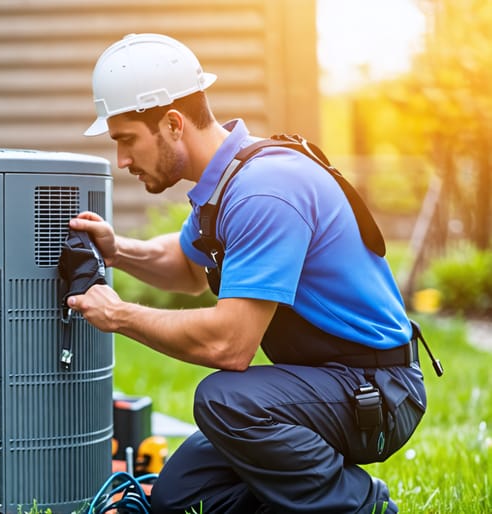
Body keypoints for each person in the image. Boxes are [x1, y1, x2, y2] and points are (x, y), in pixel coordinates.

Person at [69, 33, 428, 514]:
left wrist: (117, 315)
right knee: (180, 499)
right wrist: (119, 250)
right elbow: (188, 267)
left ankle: (361, 505)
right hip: (324, 381)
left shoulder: (265, 189)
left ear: (173, 124)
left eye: (127, 140)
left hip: (375, 390)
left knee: (226, 401)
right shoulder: (228, 182)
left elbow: (229, 345)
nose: (123, 161)